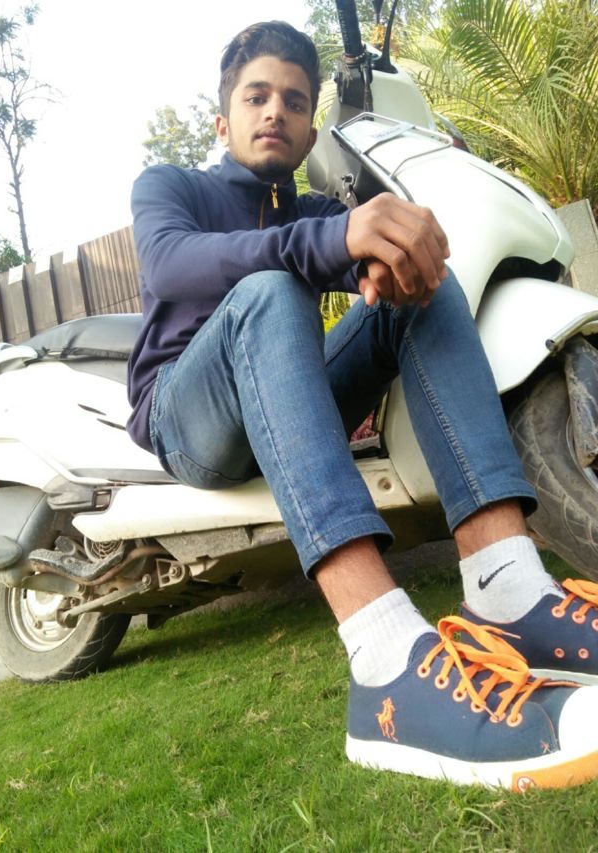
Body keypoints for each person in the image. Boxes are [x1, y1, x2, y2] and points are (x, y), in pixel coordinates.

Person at [127, 20, 598, 790]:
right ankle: (383, 658)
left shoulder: (311, 209)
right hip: (189, 415)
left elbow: (360, 254)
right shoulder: (171, 186)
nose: (275, 111)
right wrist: (334, 240)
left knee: (423, 288)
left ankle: (509, 588)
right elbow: (171, 264)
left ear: (312, 130)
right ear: (222, 121)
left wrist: (391, 260)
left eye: (294, 101)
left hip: (285, 397)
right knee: (269, 291)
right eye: (256, 97)